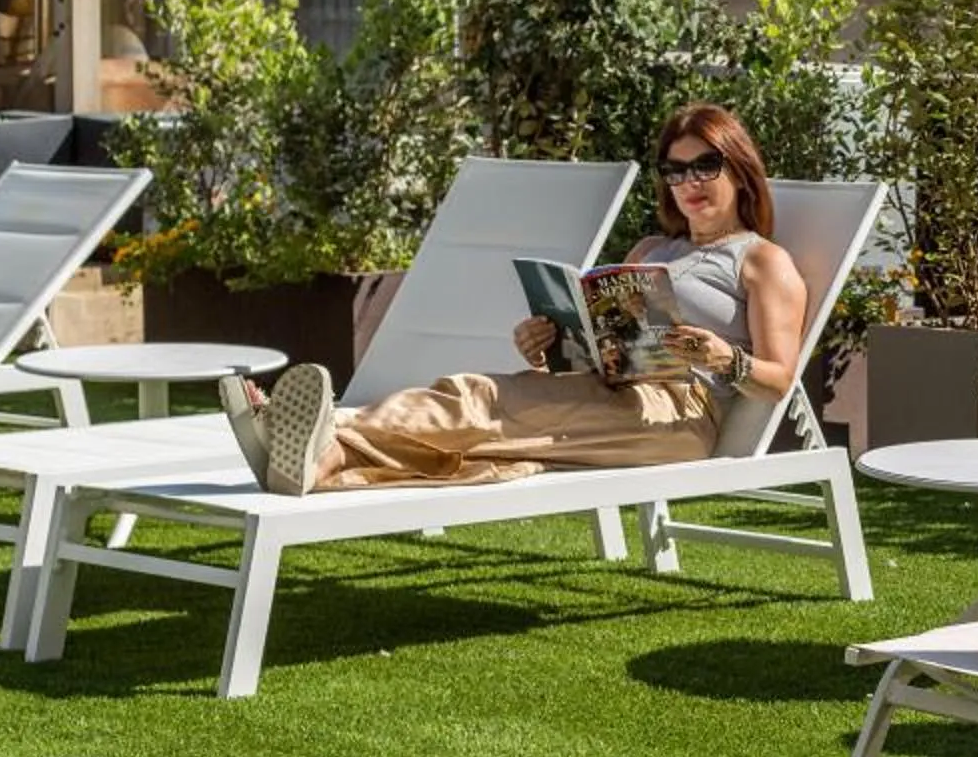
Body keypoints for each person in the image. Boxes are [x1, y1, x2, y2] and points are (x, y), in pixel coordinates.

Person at [222, 103, 808, 496]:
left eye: (705, 166)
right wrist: (550, 343)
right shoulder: (653, 246)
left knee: (478, 401)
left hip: (680, 415)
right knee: (490, 440)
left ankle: (315, 431)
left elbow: (779, 379)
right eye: (674, 171)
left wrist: (721, 356)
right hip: (617, 391)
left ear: (738, 169)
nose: (689, 184)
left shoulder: (762, 262)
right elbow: (612, 350)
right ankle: (324, 465)